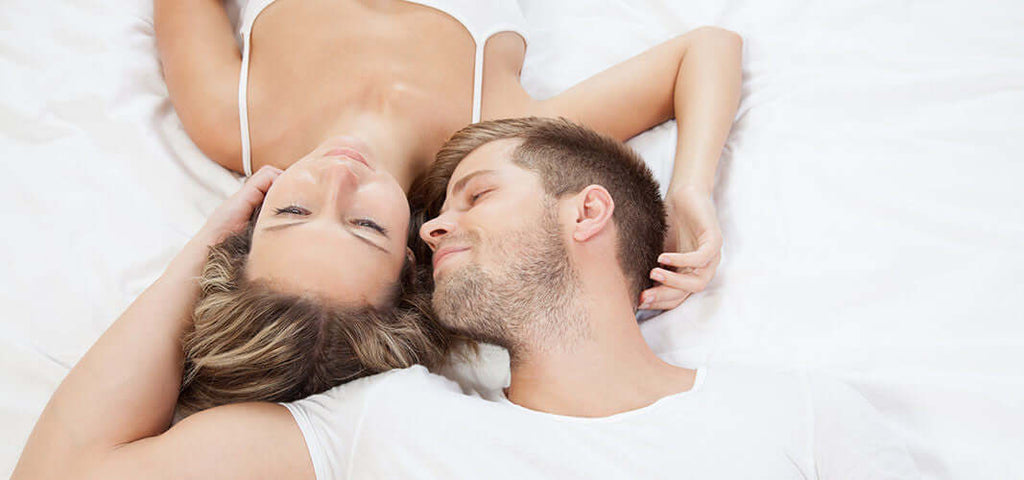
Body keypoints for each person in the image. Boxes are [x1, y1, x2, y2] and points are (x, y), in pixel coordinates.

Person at [13, 118, 918, 479]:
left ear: (588, 213)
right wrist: (215, 241)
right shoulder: (385, 423)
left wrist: (693, 187)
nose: (433, 229)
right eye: (433, 217)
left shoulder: (802, 419)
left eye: (477, 195)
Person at [155, 0, 741, 408]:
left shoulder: (229, 120)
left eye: (292, 212)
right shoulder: (496, 136)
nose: (336, 178)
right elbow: (705, 52)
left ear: (247, 225)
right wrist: (689, 191)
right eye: (363, 224)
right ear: (412, 258)